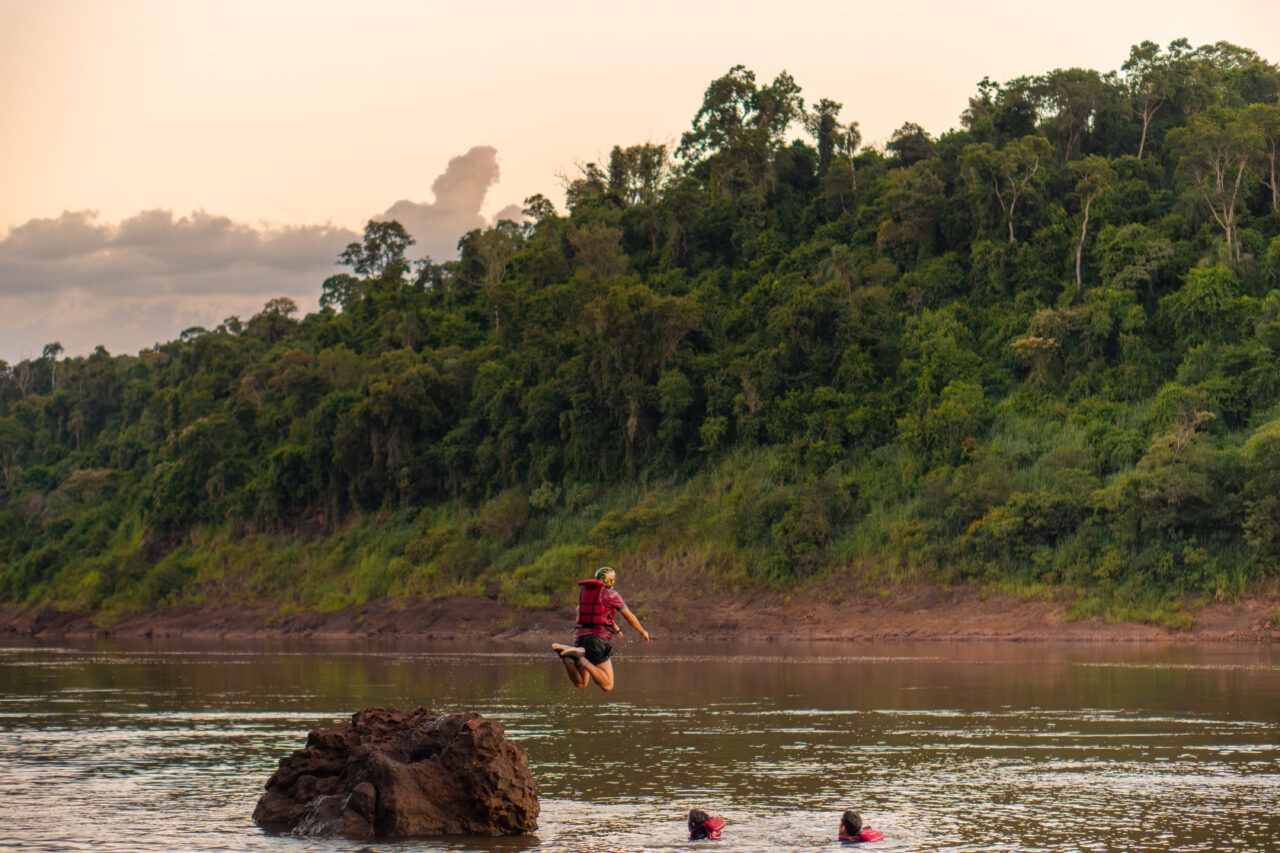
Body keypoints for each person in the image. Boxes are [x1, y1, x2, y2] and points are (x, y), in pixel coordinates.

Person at [551, 566, 649, 692]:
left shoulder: (585, 592)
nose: (613, 582)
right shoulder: (612, 594)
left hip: (580, 638)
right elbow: (629, 616)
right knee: (608, 685)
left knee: (581, 683)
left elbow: (592, 613)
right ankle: (580, 658)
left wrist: (615, 629)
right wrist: (642, 631)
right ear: (609, 581)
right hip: (597, 640)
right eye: (612, 580)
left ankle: (567, 657)